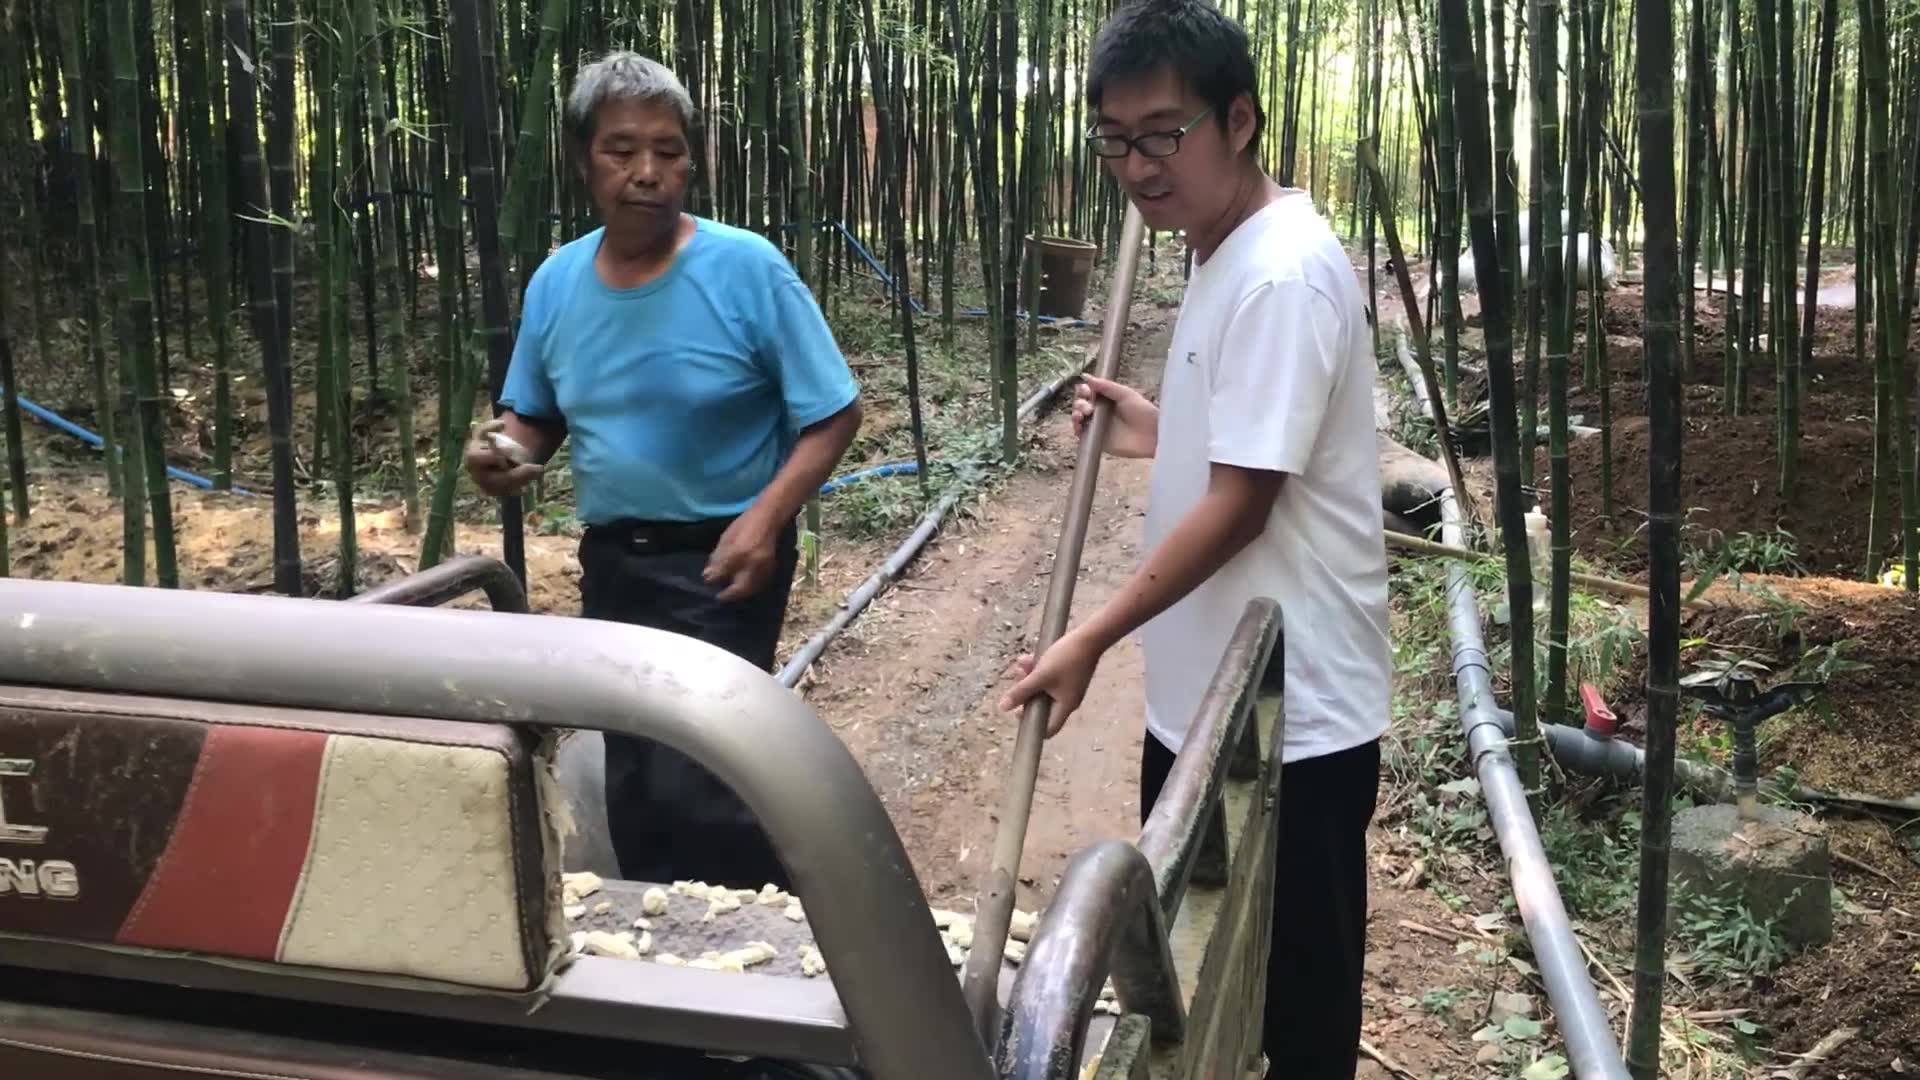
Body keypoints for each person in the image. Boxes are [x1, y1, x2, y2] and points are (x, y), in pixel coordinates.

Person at [997, 2, 1391, 1076]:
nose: (1137, 165)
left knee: (1292, 1015)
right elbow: (1254, 457)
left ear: (1241, 120)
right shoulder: (1221, 249)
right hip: (1213, 706)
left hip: (1289, 720)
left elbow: (1248, 503)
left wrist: (1091, 636)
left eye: (1165, 133)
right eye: (1116, 139)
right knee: (1203, 993)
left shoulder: (1280, 271)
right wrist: (1155, 433)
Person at [465, 51, 862, 893]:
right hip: (614, 557)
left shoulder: (747, 268)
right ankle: (671, 954)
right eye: (622, 150)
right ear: (583, 159)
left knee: (703, 780)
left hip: (725, 558)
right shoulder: (557, 280)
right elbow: (534, 415)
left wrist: (765, 520)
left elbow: (833, 414)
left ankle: (775, 946)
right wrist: (503, 454)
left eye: (668, 151)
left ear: (691, 160)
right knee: (637, 772)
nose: (647, 173)